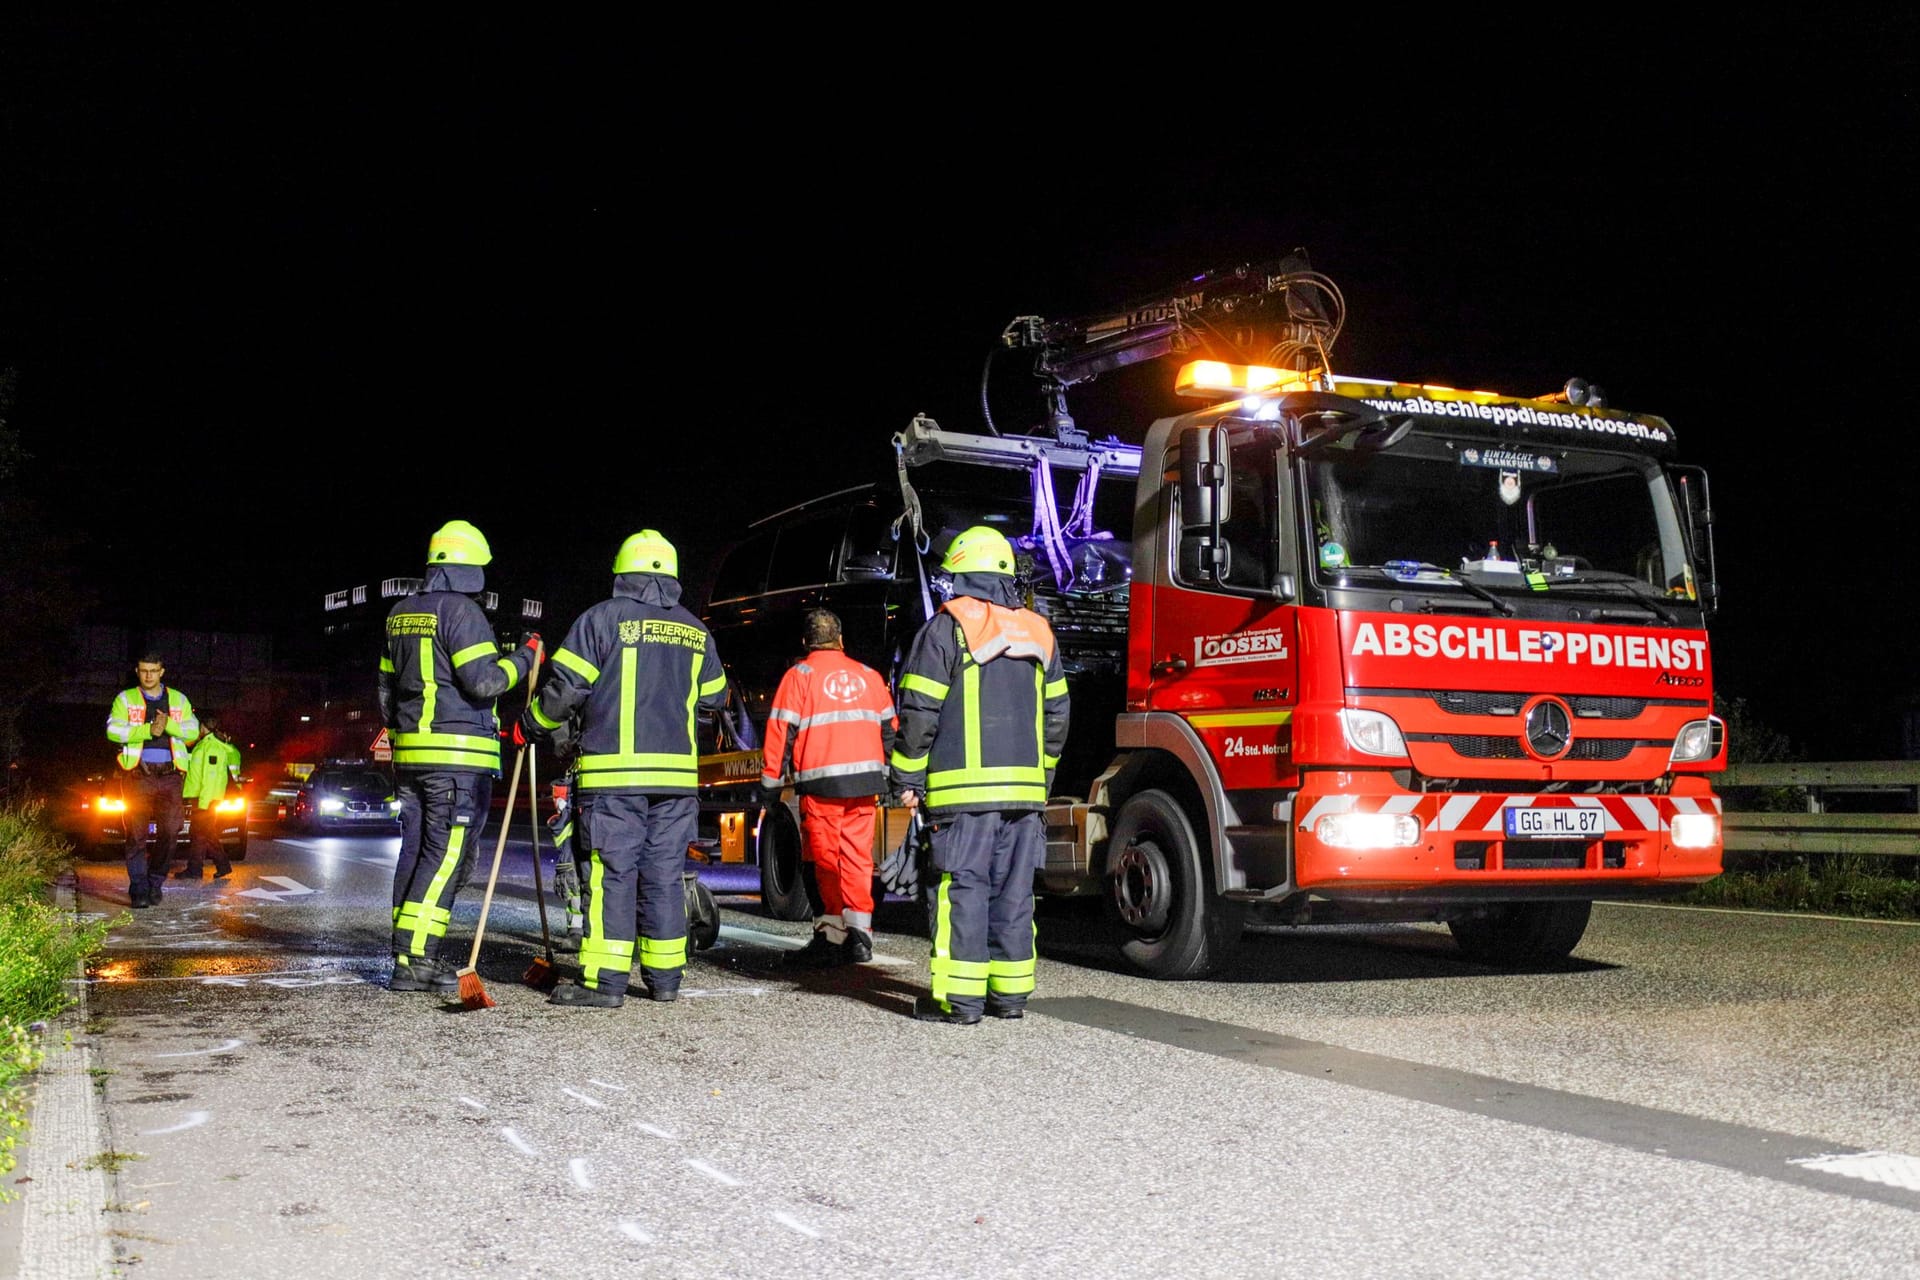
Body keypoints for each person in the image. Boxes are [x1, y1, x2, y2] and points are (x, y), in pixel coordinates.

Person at [519, 529, 727, 1009]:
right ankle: (665, 979)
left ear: (622, 572)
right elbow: (715, 697)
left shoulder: (601, 619)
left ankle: (605, 982)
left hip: (615, 779)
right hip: (676, 780)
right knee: (663, 875)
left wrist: (533, 723)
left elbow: (566, 688)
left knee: (612, 874)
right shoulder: (696, 630)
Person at [889, 527, 1070, 1025]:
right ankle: (1009, 997)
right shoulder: (1039, 631)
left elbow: (920, 711)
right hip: (1026, 796)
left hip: (962, 797)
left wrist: (906, 778)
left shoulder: (946, 628)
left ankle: (961, 1001)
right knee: (1013, 894)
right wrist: (1042, 779)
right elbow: (1058, 718)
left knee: (962, 891)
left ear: (963, 573)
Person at [379, 519, 542, 994]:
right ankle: (415, 959)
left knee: (414, 852)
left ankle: (404, 950)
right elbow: (484, 682)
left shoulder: (399, 614)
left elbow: (386, 693)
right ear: (470, 569)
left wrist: (405, 734)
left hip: (411, 758)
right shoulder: (462, 612)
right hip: (456, 758)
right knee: (447, 856)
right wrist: (526, 656)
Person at [760, 608, 896, 968]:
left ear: (806, 643)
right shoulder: (869, 675)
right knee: (856, 857)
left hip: (822, 784)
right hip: (866, 783)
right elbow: (890, 730)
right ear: (841, 640)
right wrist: (892, 776)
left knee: (823, 860)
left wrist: (771, 785)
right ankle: (860, 937)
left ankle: (830, 937)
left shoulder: (799, 675)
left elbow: (780, 732)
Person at [105, 653, 200, 907]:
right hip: (139, 776)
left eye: (153, 670)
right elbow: (113, 731)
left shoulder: (178, 699)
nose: (148, 675)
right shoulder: (125, 699)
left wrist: (169, 725)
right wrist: (148, 730)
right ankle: (138, 888)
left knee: (170, 833)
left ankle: (155, 882)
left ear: (162, 671)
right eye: (144, 670)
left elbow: (193, 729)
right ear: (137, 671)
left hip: (171, 776)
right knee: (136, 835)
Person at [178, 712, 242, 880]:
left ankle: (204, 868)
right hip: (201, 797)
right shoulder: (205, 744)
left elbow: (210, 777)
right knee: (202, 833)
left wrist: (204, 802)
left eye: (199, 726)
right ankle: (201, 868)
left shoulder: (212, 746)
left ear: (204, 727)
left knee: (202, 832)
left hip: (205, 798)